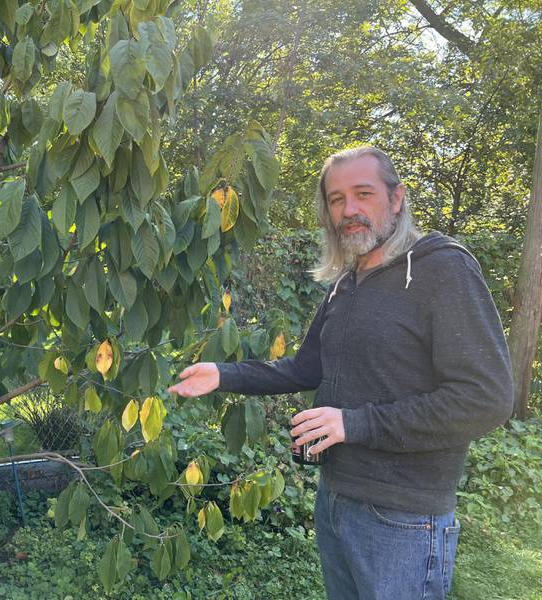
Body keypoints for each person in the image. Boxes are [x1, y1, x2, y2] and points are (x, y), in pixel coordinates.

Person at [166, 146, 514, 600]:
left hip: (403, 520)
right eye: (335, 199)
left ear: (396, 198)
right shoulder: (347, 283)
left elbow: (486, 398)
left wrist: (355, 423)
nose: (348, 209)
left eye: (363, 193)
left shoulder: (442, 269)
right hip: (335, 500)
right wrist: (224, 374)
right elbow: (306, 367)